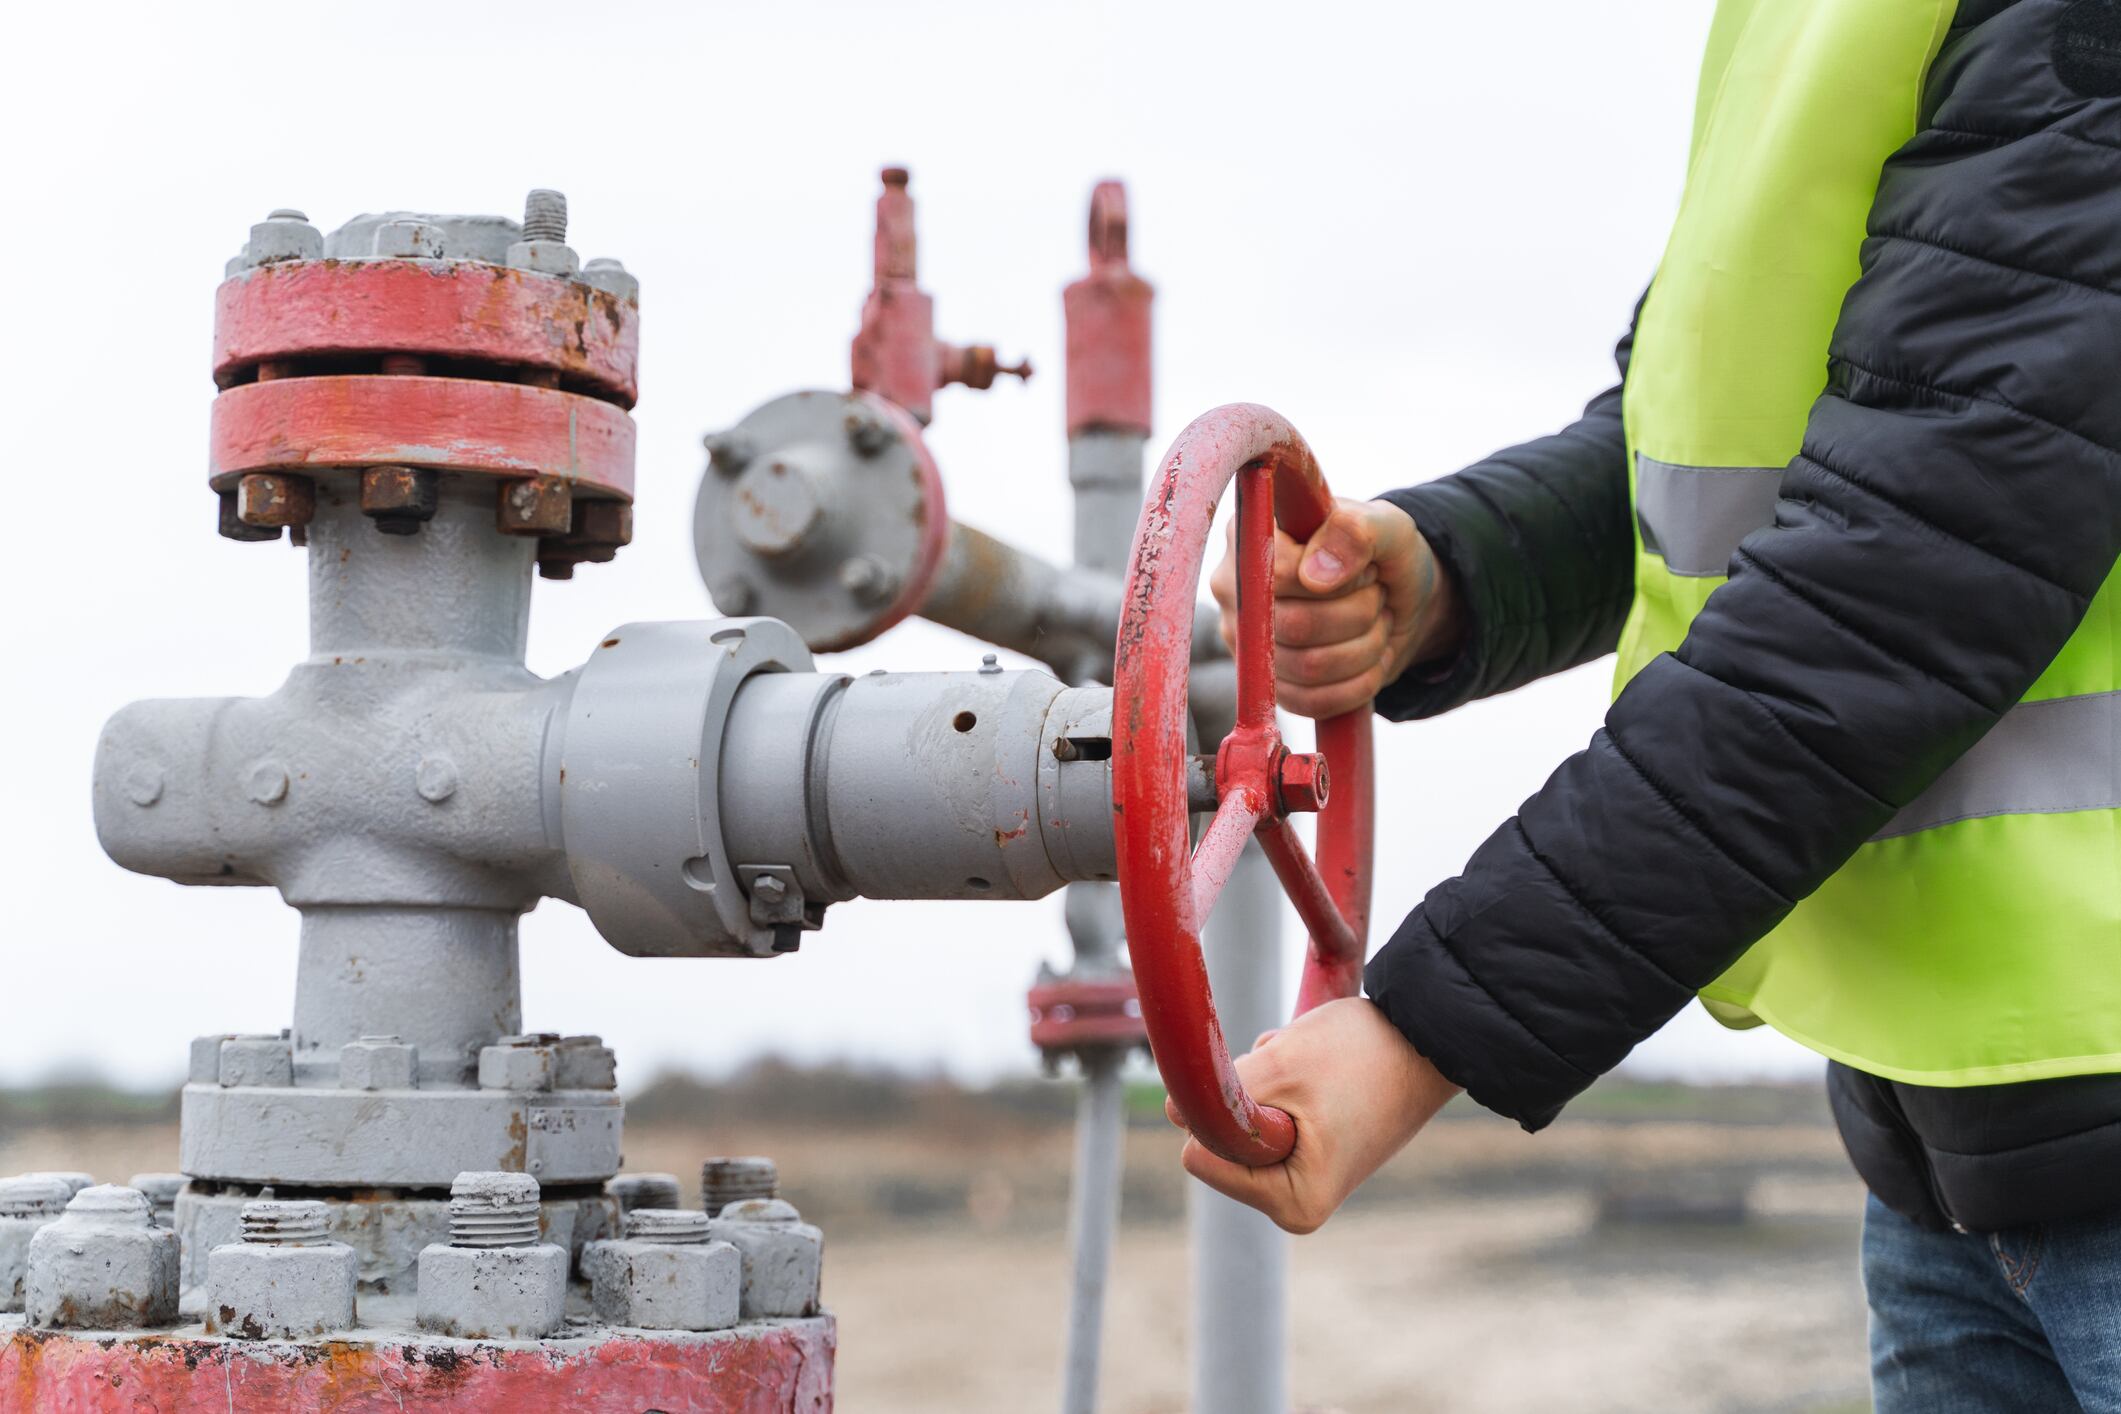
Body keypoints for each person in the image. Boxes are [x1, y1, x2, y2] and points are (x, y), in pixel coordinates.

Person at [1185, 2, 2121, 1407]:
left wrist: (1429, 1024)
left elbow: (1905, 567)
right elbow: (1745, 429)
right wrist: (1452, 571)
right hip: (1942, 1138)